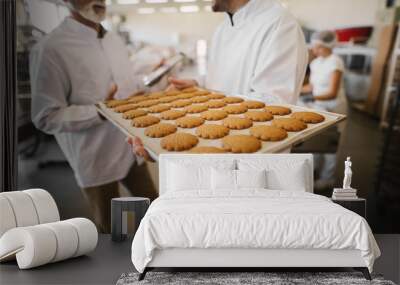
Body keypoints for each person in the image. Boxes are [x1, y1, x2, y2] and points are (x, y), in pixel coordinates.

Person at [30, 0, 158, 233]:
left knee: (155, 212)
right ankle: (122, 271)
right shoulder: (51, 48)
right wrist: (101, 110)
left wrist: (146, 89)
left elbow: (124, 86)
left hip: (131, 148)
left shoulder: (113, 40)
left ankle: (158, 265)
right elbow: (46, 117)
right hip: (95, 158)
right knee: (113, 232)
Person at [130, 0, 309, 158]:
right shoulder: (222, 29)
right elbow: (223, 77)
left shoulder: (278, 23)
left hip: (253, 161)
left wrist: (184, 119)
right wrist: (198, 84)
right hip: (212, 150)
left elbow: (272, 106)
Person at [300, 30, 348, 190]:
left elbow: (332, 92)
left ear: (325, 46)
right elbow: (312, 86)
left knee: (330, 142)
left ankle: (328, 178)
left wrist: (312, 98)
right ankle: (315, 169)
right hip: (319, 106)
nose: (313, 50)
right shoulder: (316, 63)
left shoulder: (335, 62)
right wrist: (297, 90)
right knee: (317, 139)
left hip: (334, 108)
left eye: (316, 47)